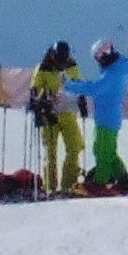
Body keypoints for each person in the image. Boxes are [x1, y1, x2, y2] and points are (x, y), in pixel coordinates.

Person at [71, 38, 128, 191]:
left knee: (102, 150)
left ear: (105, 54)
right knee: (108, 151)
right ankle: (123, 179)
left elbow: (93, 88)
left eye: (98, 58)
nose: (98, 62)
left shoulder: (113, 74)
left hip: (107, 119)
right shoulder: (116, 70)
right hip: (107, 118)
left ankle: (100, 182)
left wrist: (68, 84)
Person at [32, 42, 79, 192]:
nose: (61, 63)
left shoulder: (72, 66)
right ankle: (50, 187)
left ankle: (69, 185)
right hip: (50, 114)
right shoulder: (43, 68)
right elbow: (35, 90)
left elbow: (78, 85)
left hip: (68, 113)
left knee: (74, 147)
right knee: (50, 151)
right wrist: (41, 103)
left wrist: (81, 98)